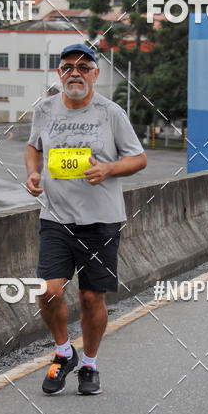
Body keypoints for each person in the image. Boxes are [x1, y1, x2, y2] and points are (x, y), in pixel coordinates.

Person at [25, 43, 147, 395]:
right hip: (55, 218)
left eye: (83, 66)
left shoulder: (110, 113)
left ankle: (90, 364)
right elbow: (33, 146)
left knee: (93, 299)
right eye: (67, 67)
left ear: (95, 73)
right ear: (59, 73)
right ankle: (64, 352)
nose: (74, 72)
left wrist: (109, 168)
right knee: (48, 292)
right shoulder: (45, 110)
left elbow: (138, 159)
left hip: (101, 221)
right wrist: (33, 173)